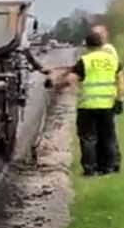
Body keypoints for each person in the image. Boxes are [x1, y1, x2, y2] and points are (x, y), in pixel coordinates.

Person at [46, 29, 122, 176]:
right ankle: (109, 167)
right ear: (101, 44)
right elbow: (121, 83)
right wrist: (119, 100)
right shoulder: (114, 61)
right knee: (108, 137)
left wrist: (56, 85)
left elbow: (70, 80)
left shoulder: (85, 61)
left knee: (88, 138)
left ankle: (90, 169)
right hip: (107, 105)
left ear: (87, 46)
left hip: (88, 106)